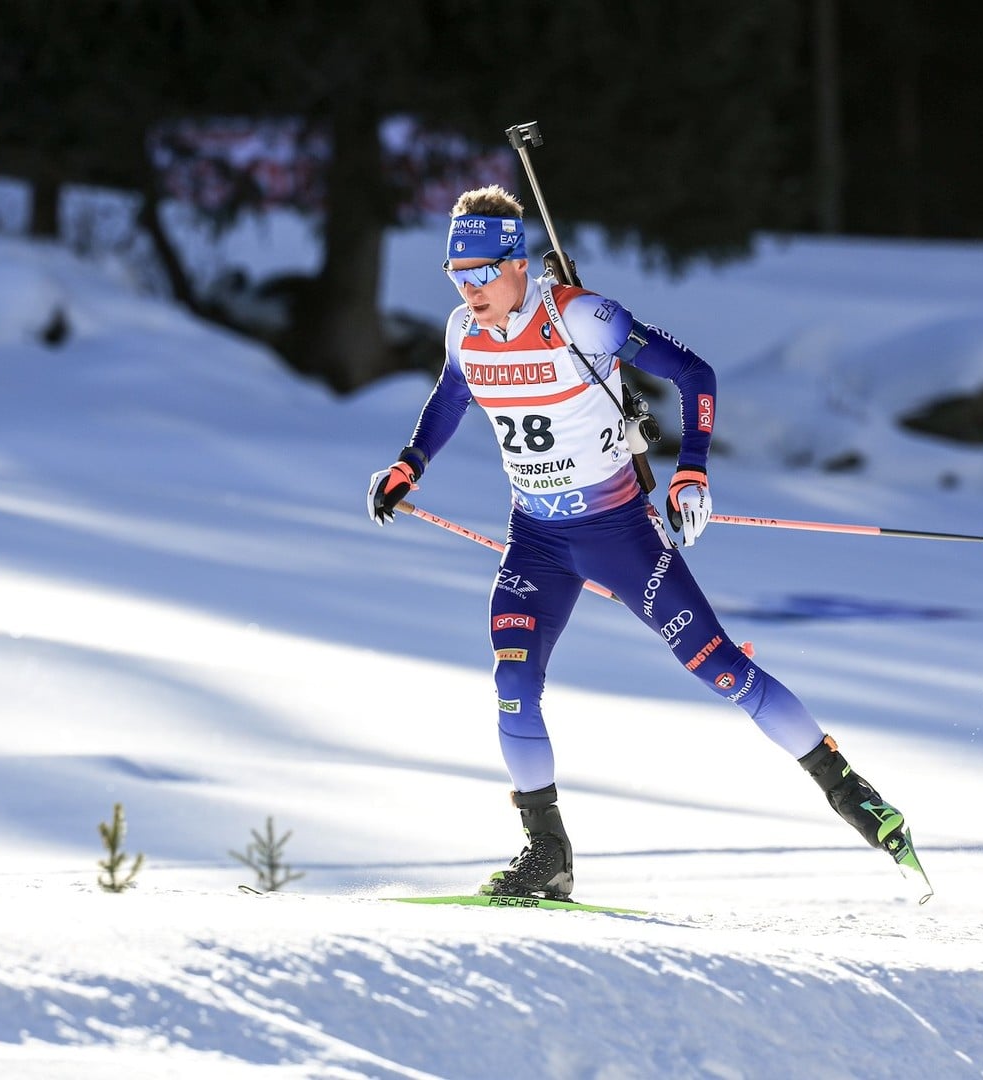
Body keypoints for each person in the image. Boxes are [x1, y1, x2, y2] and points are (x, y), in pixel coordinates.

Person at [366, 185, 915, 900]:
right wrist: (411, 463)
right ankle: (547, 852)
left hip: (618, 533)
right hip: (534, 539)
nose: (468, 290)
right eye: (455, 275)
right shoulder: (461, 333)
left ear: (515, 264)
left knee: (718, 667)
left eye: (479, 273)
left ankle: (849, 791)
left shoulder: (582, 319)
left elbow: (695, 374)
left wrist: (691, 470)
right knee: (512, 682)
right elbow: (451, 396)